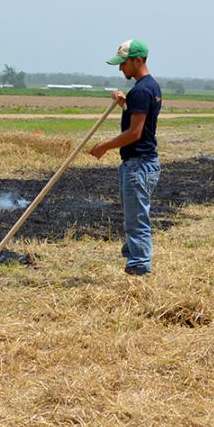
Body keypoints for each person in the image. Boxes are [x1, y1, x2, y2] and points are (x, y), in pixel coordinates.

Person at [90, 39, 162, 275]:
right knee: (135, 218)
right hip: (145, 163)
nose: (121, 68)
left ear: (137, 60)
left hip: (138, 165)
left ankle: (139, 269)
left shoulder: (141, 90)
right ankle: (134, 261)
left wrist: (104, 146)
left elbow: (135, 133)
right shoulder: (150, 87)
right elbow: (142, 123)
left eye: (123, 63)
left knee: (136, 221)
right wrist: (125, 105)